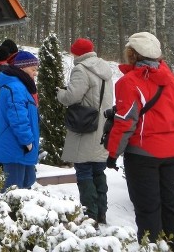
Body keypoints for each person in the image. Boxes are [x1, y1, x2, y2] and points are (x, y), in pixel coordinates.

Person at [106, 32, 174, 252]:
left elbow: (125, 122)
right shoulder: (169, 77)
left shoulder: (129, 82)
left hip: (143, 153)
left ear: (132, 54)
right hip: (172, 149)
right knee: (170, 207)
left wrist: (113, 153)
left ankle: (151, 248)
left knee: (148, 210)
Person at [56, 38, 114, 224]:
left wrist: (59, 93)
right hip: (102, 127)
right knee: (98, 170)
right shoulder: (105, 69)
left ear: (77, 53)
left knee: (84, 171)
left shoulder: (81, 69)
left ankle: (90, 215)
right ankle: (102, 212)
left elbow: (72, 97)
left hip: (85, 127)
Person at [0, 50, 40, 190]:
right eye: (33, 69)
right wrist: (27, 141)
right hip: (17, 147)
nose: (35, 73)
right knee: (14, 189)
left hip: (22, 148)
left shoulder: (21, 87)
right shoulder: (16, 88)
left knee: (26, 183)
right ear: (23, 68)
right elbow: (18, 118)